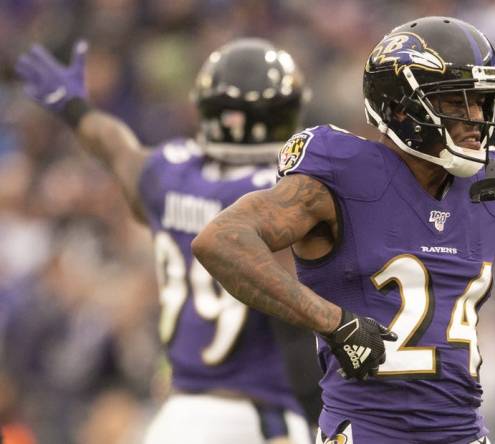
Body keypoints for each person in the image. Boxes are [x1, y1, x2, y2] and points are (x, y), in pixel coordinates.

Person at [192, 16, 495, 444]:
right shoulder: (341, 174)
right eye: (455, 101)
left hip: (463, 432)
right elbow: (222, 240)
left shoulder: (492, 188)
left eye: (481, 101)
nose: (476, 118)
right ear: (400, 107)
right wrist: (332, 321)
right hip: (367, 430)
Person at [15, 38, 322, 444]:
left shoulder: (168, 176)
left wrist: (74, 108)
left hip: (177, 417)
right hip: (259, 413)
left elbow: (115, 147)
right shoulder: (282, 197)